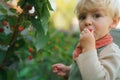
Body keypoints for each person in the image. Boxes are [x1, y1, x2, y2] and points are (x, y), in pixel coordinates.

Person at [52, 0, 120, 80]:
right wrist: (69, 71)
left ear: (114, 22)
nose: (87, 21)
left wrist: (88, 49)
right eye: (82, 17)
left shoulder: (111, 52)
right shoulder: (87, 45)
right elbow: (86, 70)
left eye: (97, 15)